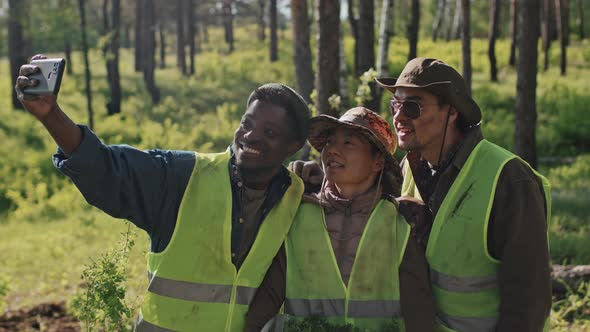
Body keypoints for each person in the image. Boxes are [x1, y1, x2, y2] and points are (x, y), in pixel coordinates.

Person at [15, 55, 311, 331]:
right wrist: (51, 114)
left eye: (270, 133)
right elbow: (106, 169)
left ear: (293, 146)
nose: (251, 136)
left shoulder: (294, 194)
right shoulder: (183, 175)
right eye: (247, 123)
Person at [293, 58, 552, 332]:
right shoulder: (409, 169)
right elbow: (358, 192)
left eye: (412, 106)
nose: (399, 116)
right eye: (396, 105)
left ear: (451, 112)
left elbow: (528, 303)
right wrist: (311, 175)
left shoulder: (509, 179)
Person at [245, 107, 435, 332]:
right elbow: (268, 296)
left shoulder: (400, 224)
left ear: (377, 162)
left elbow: (419, 313)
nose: (333, 150)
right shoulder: (296, 214)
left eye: (348, 143)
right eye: (330, 142)